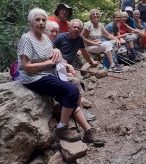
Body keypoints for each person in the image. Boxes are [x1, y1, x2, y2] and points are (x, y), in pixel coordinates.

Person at [17, 8, 104, 144]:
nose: (41, 23)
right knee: (72, 90)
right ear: (30, 22)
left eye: (43, 20)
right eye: (37, 20)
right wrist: (50, 62)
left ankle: (88, 131)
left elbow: (52, 53)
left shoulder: (45, 38)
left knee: (70, 97)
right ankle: (61, 129)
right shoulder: (26, 39)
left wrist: (56, 51)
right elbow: (27, 67)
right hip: (33, 77)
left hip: (47, 74)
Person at [44, 21, 96, 121]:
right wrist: (63, 62)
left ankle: (79, 109)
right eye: (74, 27)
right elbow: (50, 49)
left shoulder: (79, 38)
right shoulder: (60, 37)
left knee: (75, 81)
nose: (76, 29)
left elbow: (84, 52)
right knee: (74, 82)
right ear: (69, 28)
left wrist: (91, 62)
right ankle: (79, 111)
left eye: (78, 28)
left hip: (63, 67)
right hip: (57, 67)